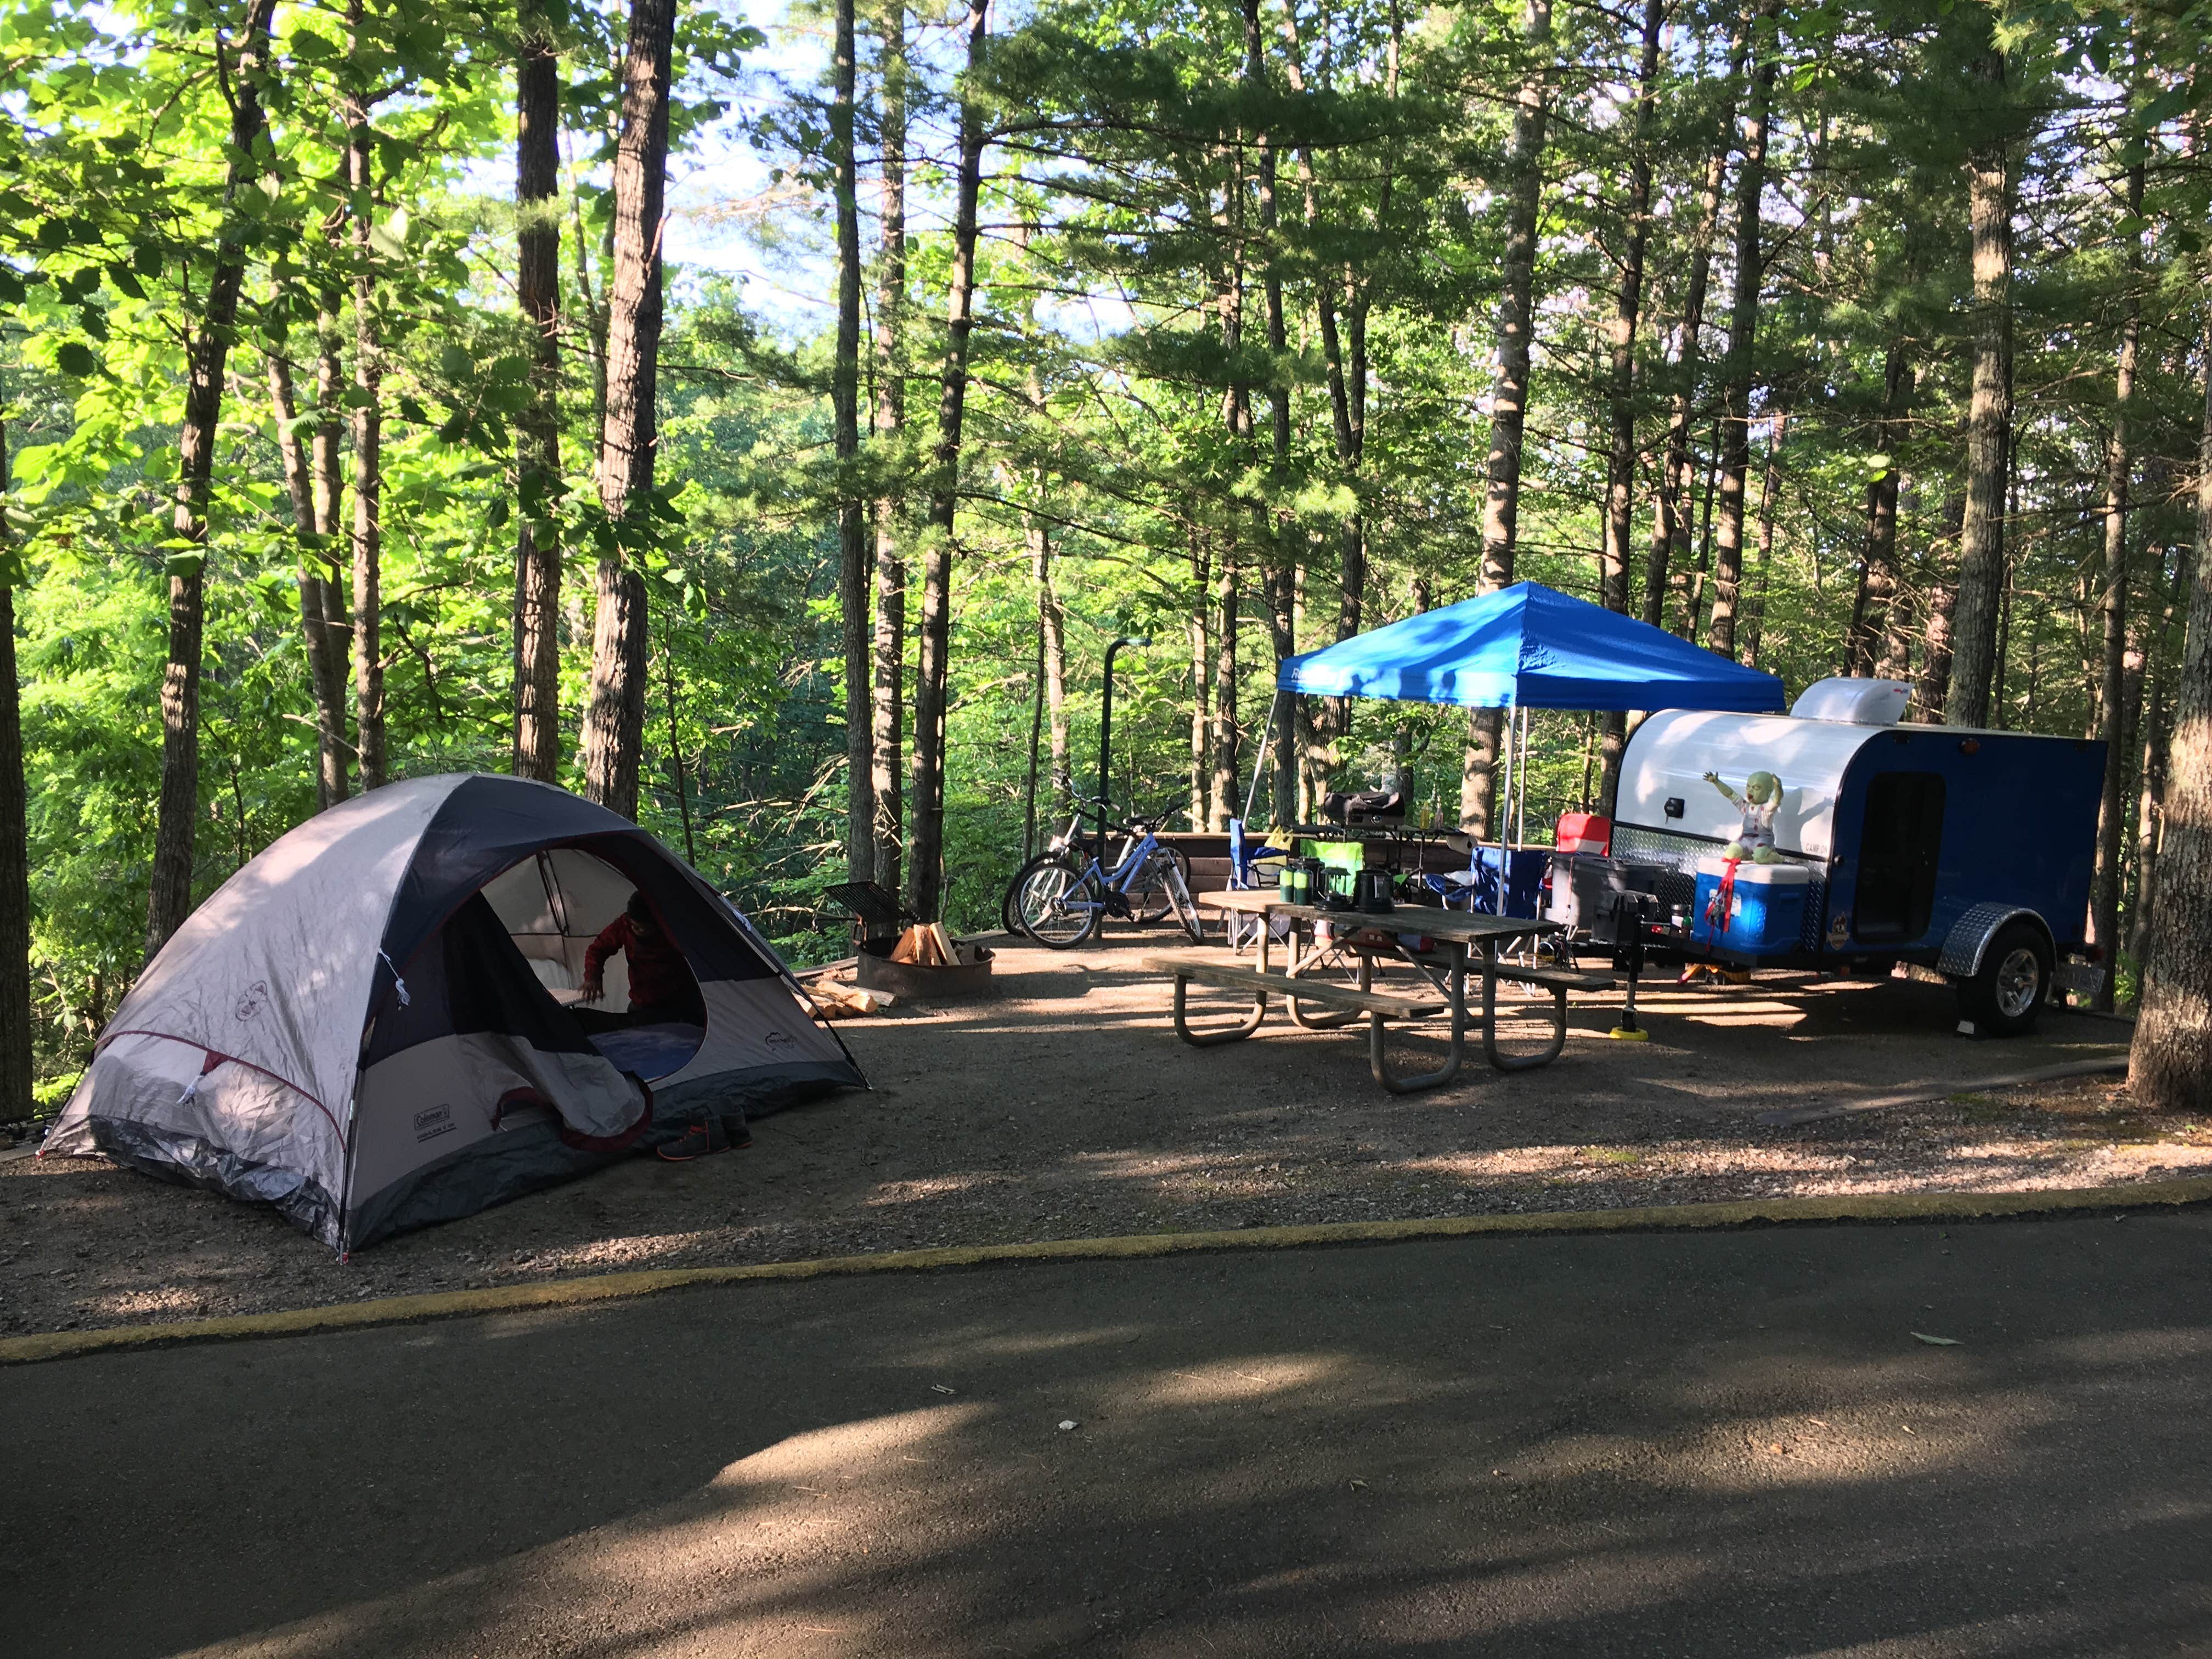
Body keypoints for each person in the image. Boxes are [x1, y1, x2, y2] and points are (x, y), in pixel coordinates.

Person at [581, 890, 706, 1026]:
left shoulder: (674, 930)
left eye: (643, 928)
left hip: (680, 1001)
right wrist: (592, 977)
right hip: (644, 1002)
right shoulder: (624, 925)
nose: (638, 931)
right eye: (635, 926)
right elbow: (597, 949)